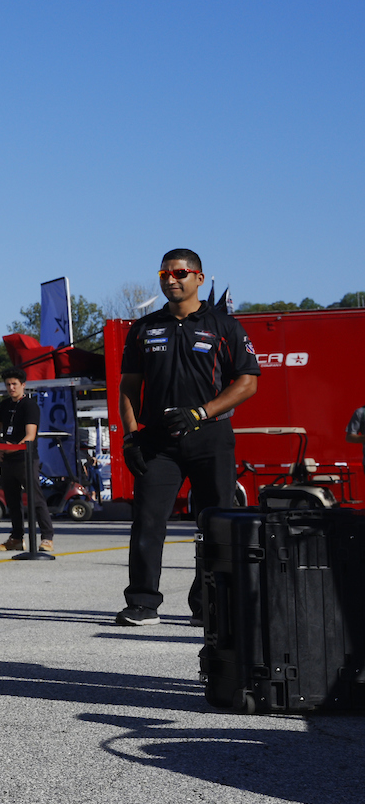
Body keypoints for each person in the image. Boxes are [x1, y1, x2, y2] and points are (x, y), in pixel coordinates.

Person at [117, 249, 258, 627]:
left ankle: (210, 605)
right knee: (147, 522)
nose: (171, 279)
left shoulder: (224, 327)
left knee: (215, 522)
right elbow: (129, 386)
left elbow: (247, 383)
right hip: (158, 442)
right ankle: (143, 603)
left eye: (180, 272)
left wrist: (201, 412)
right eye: (164, 273)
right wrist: (131, 436)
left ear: (198, 277)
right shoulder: (144, 328)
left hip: (210, 436)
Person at [0, 367, 53, 553]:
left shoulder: (29, 406)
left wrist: (11, 448)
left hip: (25, 458)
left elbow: (30, 435)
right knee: (11, 499)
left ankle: (47, 537)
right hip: (7, 459)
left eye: (14, 384)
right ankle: (16, 538)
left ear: (23, 385)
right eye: (8, 384)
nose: (11, 388)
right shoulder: (3, 405)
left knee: (35, 498)